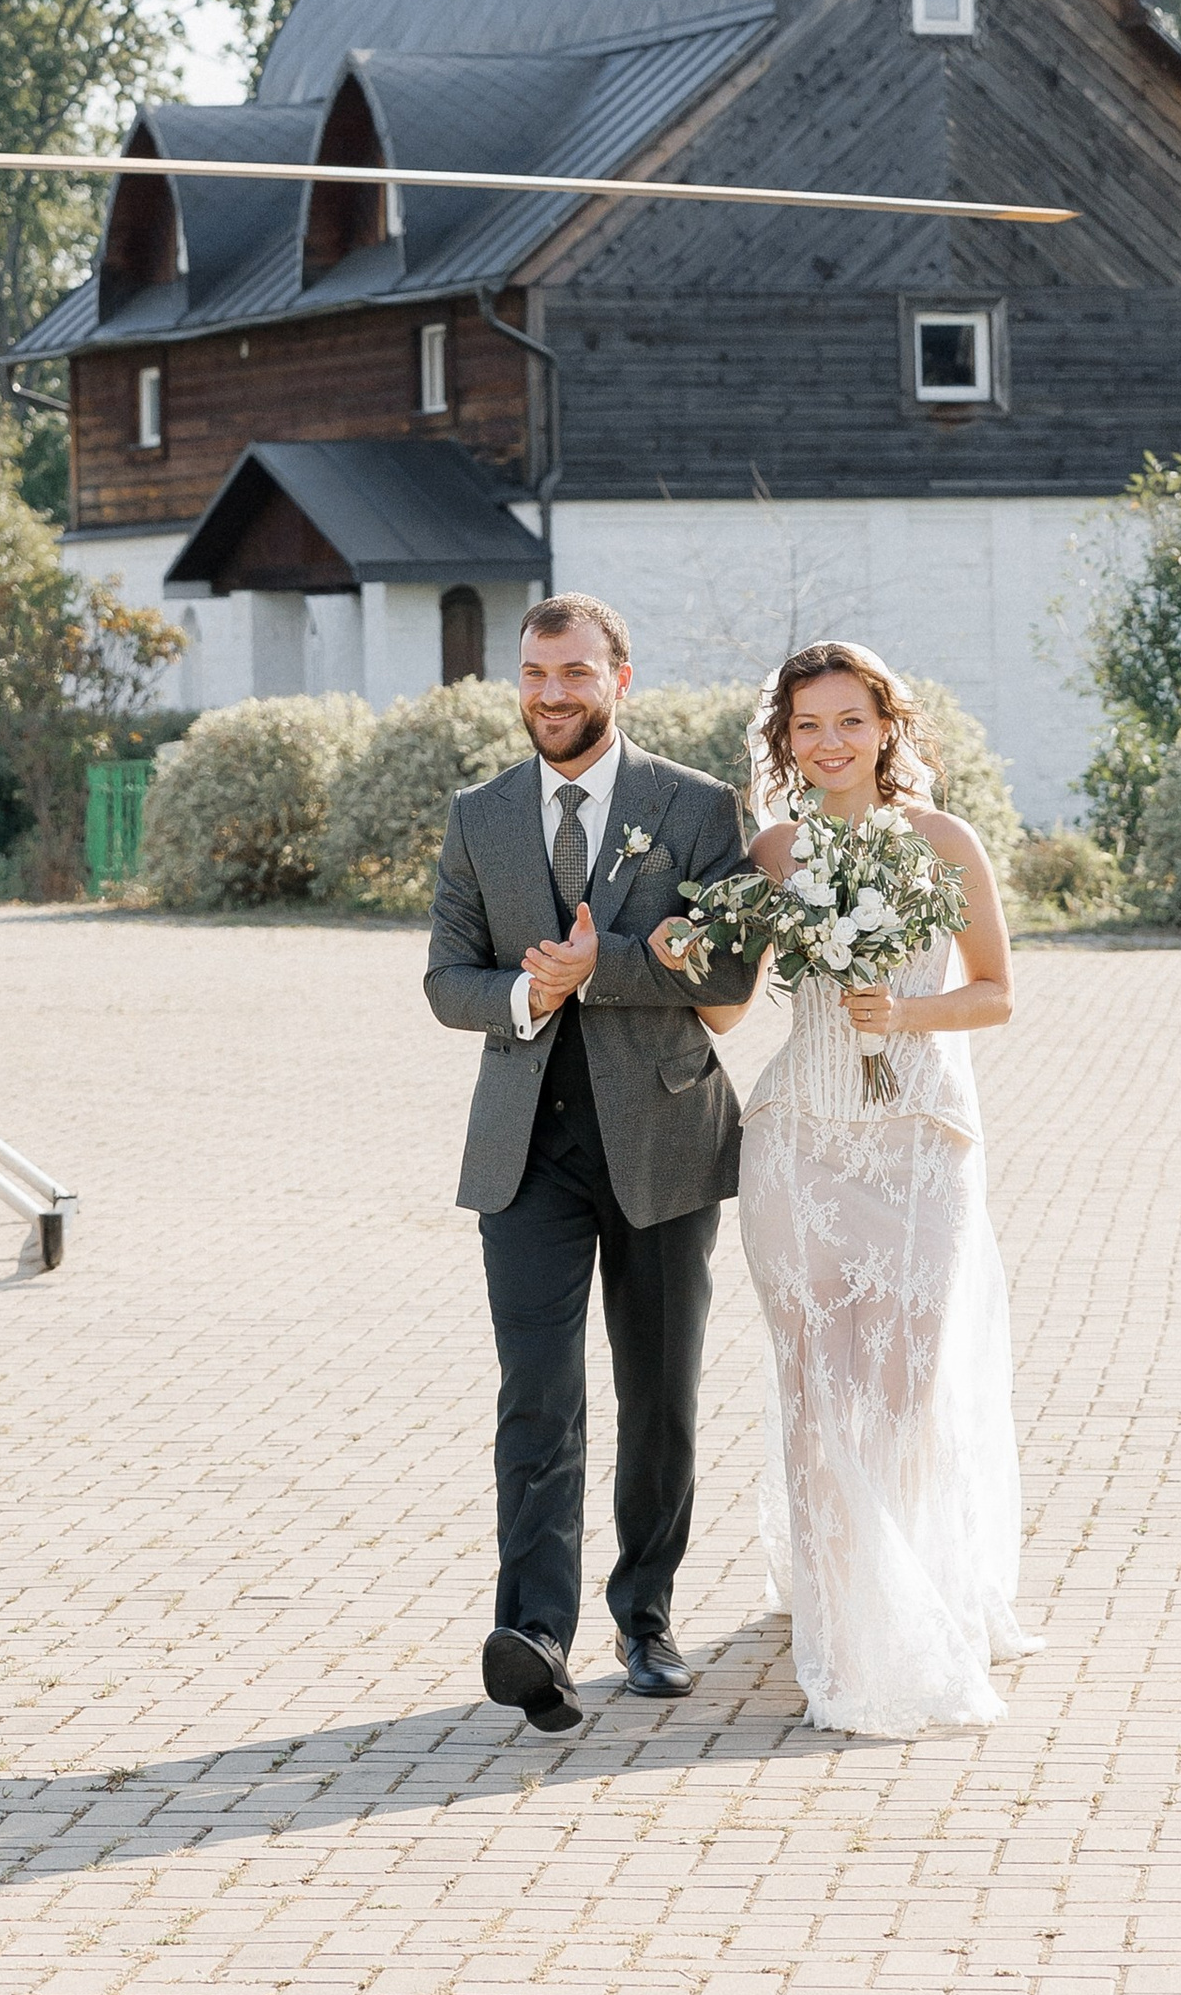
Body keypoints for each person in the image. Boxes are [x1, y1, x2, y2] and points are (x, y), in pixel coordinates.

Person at [655, 639, 1036, 1737]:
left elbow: (999, 993)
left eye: (849, 722)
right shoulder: (772, 850)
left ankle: (910, 1598)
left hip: (917, 1138)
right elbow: (729, 1009)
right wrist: (682, 953)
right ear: (784, 740)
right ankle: (840, 1622)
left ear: (887, 729)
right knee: (820, 1388)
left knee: (904, 1387)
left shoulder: (942, 841)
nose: (829, 744)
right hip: (797, 1142)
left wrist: (903, 1013)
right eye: (807, 726)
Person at [424, 593, 758, 1733]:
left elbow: (725, 984)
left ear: (620, 677)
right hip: (524, 1153)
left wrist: (598, 965)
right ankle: (535, 1634)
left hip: (664, 1138)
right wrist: (528, 992)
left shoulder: (699, 808)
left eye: (572, 673)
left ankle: (648, 1616)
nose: (550, 695)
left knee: (657, 1393)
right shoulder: (480, 814)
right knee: (537, 1393)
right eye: (532, 673)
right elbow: (445, 979)